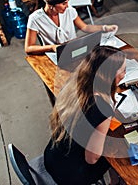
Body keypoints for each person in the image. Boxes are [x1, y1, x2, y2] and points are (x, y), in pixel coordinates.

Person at [44, 46, 126, 184]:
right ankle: (115, 182)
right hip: (71, 176)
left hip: (53, 157)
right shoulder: (102, 109)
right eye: (123, 70)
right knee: (119, 154)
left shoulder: (75, 85)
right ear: (110, 75)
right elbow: (92, 159)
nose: (124, 74)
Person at [25, 0, 118, 55]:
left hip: (75, 50)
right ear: (50, 5)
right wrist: (52, 47)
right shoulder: (35, 19)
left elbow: (85, 27)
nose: (67, 5)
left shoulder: (69, 10)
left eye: (68, 2)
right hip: (56, 55)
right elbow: (29, 48)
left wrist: (105, 28)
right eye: (64, 3)